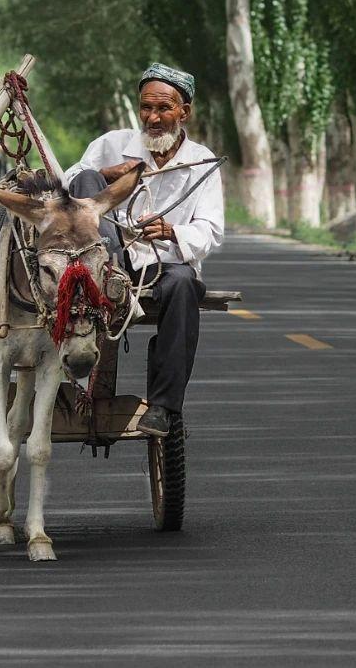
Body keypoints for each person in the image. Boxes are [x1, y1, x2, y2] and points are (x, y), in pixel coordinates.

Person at [61, 63, 224, 437]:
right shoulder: (111, 145)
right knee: (86, 177)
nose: (153, 117)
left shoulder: (203, 162)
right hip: (105, 260)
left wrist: (172, 231)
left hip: (162, 267)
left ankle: (163, 408)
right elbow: (66, 185)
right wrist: (107, 176)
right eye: (145, 108)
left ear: (184, 112)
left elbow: (211, 231)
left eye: (163, 109)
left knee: (183, 284)